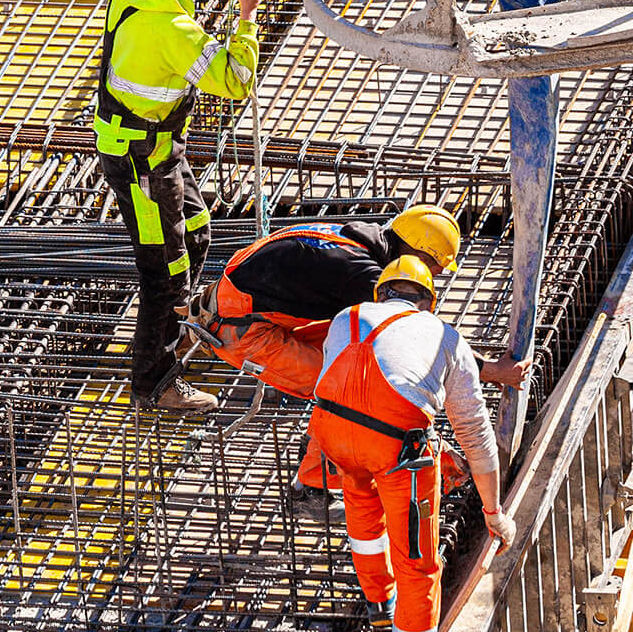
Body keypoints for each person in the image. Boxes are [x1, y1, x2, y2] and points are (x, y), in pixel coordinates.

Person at [187, 207, 529, 517]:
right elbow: (422, 336)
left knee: (354, 357)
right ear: (416, 253)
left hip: (252, 307)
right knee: (343, 387)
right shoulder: (362, 274)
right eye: (434, 268)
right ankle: (311, 489)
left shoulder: (367, 242)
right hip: (241, 329)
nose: (433, 279)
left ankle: (322, 448)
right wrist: (493, 371)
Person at [308, 256, 518, 632]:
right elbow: (476, 434)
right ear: (430, 301)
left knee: (362, 507)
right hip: (395, 452)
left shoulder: (348, 317)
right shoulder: (446, 338)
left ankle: (379, 603)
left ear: (381, 292)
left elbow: (352, 389)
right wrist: (493, 510)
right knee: (419, 568)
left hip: (331, 435)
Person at [94, 0, 263, 414]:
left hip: (161, 151)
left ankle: (179, 319)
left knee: (196, 231)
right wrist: (246, 14)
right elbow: (234, 81)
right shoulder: (173, 31)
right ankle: (155, 384)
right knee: (162, 275)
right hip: (140, 162)